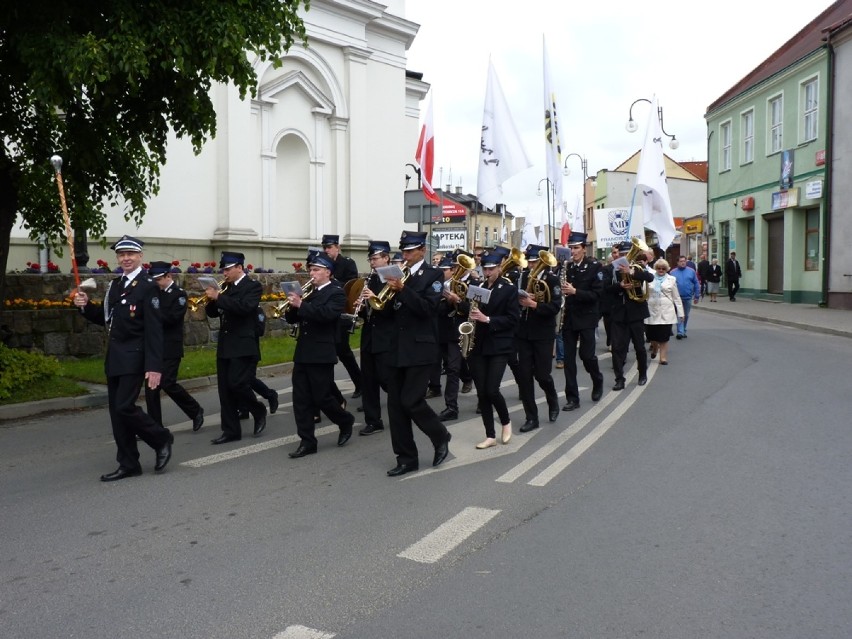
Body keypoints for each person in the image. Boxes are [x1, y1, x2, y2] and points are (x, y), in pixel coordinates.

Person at [73, 235, 173, 481]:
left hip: (135, 358)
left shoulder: (149, 286)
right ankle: (129, 463)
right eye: (121, 254)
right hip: (115, 358)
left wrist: (154, 366)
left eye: (130, 254)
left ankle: (161, 438)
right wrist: (85, 306)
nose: (126, 258)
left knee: (124, 407)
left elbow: (154, 330)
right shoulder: (116, 285)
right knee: (117, 414)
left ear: (140, 256)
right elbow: (107, 319)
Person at [376, 230, 452, 477]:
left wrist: (402, 290)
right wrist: (380, 299)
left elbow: (428, 309)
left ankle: (440, 435)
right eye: (404, 251)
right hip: (397, 347)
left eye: (409, 251)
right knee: (395, 407)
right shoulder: (399, 274)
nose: (405, 256)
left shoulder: (434, 275)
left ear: (422, 250)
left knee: (411, 400)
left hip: (421, 347)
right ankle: (407, 458)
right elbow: (389, 313)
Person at [283, 251, 356, 458]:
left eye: (316, 270)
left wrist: (302, 305)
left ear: (328, 272)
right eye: (310, 270)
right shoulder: (310, 293)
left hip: (322, 351)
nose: (311, 273)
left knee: (322, 397)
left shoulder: (336, 292)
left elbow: (327, 315)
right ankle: (307, 442)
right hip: (304, 351)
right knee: (301, 398)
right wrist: (292, 306)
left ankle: (344, 420)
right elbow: (292, 319)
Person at [204, 251, 267, 444]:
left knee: (237, 384)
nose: (225, 273)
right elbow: (213, 313)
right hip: (226, 344)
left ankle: (258, 410)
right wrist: (211, 300)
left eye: (228, 269)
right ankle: (231, 431)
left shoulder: (253, 286)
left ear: (240, 268)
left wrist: (219, 297)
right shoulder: (226, 288)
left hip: (243, 343)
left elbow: (245, 308)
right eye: (223, 270)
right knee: (225, 390)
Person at [466, 251, 520, 448]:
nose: (487, 272)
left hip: (499, 345)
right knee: (482, 392)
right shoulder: (478, 286)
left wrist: (487, 319)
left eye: (491, 269)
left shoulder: (508, 289)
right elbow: (470, 310)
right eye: (484, 269)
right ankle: (490, 435)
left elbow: (513, 319)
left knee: (492, 389)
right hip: (478, 345)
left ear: (499, 267)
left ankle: (505, 422)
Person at [144, 261, 204, 432]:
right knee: (151, 388)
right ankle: (155, 426)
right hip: (153, 346)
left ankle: (195, 410)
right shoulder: (153, 293)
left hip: (170, 346)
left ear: (168, 276)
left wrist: (152, 316)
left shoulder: (179, 294)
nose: (155, 282)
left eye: (158, 279)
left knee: (168, 383)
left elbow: (173, 318)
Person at [515, 244, 562, 432]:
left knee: (542, 375)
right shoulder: (523, 277)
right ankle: (531, 417)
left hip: (543, 333)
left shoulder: (552, 279)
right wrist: (519, 301)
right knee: (524, 377)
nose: (532, 266)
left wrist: (534, 304)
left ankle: (553, 400)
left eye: (535, 262)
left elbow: (555, 307)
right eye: (531, 262)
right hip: (524, 333)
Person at [559, 232, 604, 412]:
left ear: (584, 249)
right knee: (569, 360)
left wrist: (575, 291)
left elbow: (597, 295)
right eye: (571, 248)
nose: (573, 251)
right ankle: (572, 398)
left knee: (587, 356)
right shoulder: (566, 267)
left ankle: (597, 379)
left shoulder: (595, 267)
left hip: (587, 317)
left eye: (576, 248)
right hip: (569, 317)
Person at [604, 241, 654, 389]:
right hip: (618, 313)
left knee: (639, 346)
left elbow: (650, 278)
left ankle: (642, 373)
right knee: (618, 348)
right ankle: (619, 378)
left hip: (636, 313)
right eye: (622, 254)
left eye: (627, 253)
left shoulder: (637, 267)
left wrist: (631, 272)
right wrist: (619, 285)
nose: (625, 256)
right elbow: (604, 288)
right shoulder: (610, 269)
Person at [357, 240, 392, 436]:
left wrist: (373, 297)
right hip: (369, 334)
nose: (372, 262)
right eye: (370, 259)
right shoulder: (369, 279)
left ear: (386, 258)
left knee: (386, 378)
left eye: (375, 258)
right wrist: (361, 307)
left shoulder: (393, 277)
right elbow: (368, 312)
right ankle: (373, 420)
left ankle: (405, 405)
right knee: (368, 380)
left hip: (386, 336)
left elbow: (393, 309)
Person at [322, 234, 362, 398]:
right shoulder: (323, 263)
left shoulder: (347, 263)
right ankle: (330, 391)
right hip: (327, 312)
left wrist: (332, 279)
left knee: (343, 351)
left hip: (343, 312)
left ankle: (360, 382)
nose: (327, 250)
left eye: (329, 247)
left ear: (337, 247)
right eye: (325, 247)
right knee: (329, 352)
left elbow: (352, 286)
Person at [645, 259, 685, 366]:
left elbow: (676, 297)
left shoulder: (671, 279)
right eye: (658, 268)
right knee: (651, 336)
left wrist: (681, 313)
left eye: (663, 268)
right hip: (651, 310)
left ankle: (663, 357)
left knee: (664, 336)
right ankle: (654, 348)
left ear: (667, 269)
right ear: (655, 268)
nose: (661, 270)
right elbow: (644, 294)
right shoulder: (649, 278)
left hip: (667, 311)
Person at [670, 255, 700, 339]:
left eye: (684, 261)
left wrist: (697, 295)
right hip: (677, 298)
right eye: (681, 261)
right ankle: (680, 332)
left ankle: (683, 329)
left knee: (686, 315)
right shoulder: (673, 272)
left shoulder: (691, 271)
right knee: (680, 314)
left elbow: (696, 283)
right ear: (677, 262)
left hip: (688, 297)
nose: (683, 263)